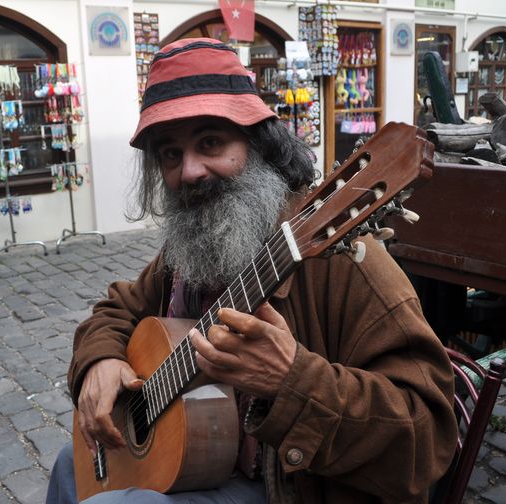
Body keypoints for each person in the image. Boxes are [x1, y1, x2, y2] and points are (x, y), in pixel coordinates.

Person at [46, 38, 457, 504]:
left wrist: (292, 381)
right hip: (206, 469)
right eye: (170, 154)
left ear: (260, 143)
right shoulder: (195, 247)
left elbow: (428, 441)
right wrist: (100, 359)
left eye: (210, 142)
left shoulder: (346, 262)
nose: (191, 171)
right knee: (69, 464)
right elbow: (116, 308)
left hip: (294, 489)